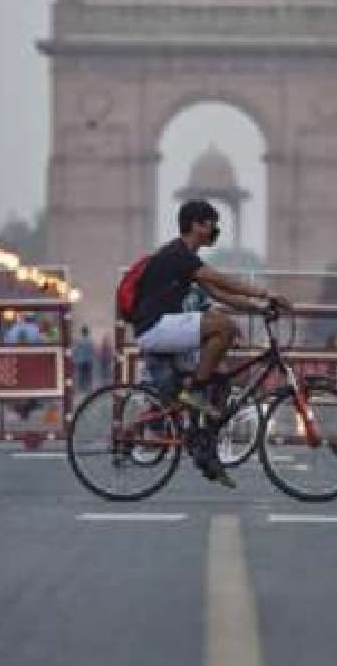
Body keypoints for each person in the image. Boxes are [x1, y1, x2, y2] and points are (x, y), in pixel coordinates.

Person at [128, 199, 292, 488]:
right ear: (195, 225)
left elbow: (221, 295)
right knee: (224, 327)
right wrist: (267, 293)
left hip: (165, 327)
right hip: (155, 327)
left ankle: (204, 446)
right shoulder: (179, 254)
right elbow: (222, 281)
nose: (216, 228)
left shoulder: (186, 259)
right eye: (211, 223)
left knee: (221, 381)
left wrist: (260, 309)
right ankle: (195, 393)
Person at [71, 325, 96, 391]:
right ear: (87, 332)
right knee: (88, 374)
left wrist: (74, 358)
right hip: (89, 360)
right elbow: (93, 350)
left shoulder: (79, 340)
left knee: (81, 375)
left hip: (81, 360)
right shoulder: (91, 340)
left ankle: (81, 387)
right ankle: (89, 387)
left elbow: (75, 350)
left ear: (82, 332)